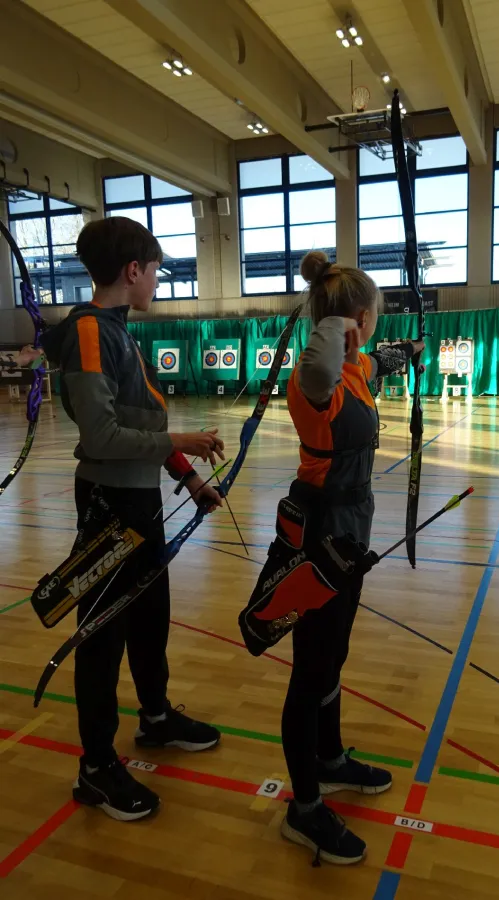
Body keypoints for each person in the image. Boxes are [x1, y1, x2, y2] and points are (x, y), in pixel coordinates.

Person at [41, 216, 226, 822]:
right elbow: (103, 435)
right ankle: (95, 769)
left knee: (149, 618)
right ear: (132, 270)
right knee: (102, 636)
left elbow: (140, 421)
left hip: (140, 503)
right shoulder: (90, 332)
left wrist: (188, 476)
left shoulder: (115, 330)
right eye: (155, 272)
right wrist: (181, 441)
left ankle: (155, 717)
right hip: (108, 507)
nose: (157, 282)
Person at [278, 250, 425, 865]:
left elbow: (372, 363)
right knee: (311, 668)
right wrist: (340, 319)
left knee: (332, 654)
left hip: (350, 527)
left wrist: (405, 352)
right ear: (358, 320)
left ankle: (330, 757)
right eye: (370, 319)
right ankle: (304, 806)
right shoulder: (315, 380)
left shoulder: (355, 368)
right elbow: (320, 363)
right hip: (320, 531)